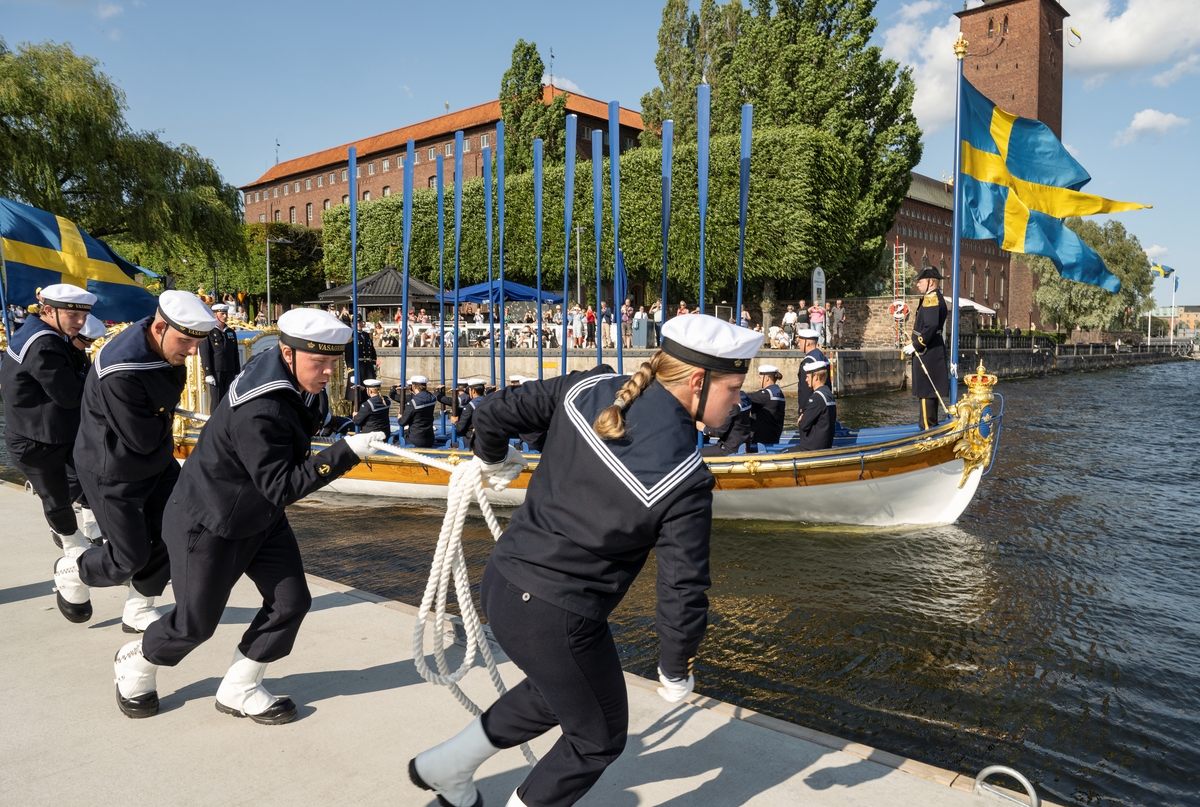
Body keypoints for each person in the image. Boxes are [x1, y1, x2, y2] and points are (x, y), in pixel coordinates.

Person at [408, 314, 759, 807]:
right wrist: (675, 671)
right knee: (597, 739)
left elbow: (491, 413)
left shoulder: (586, 387)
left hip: (503, 581)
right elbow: (682, 591)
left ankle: (448, 768)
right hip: (558, 614)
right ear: (698, 381)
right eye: (735, 387)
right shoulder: (687, 478)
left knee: (558, 692)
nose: (739, 400)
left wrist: (489, 461)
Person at [113, 309, 381, 721]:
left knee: (291, 602)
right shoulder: (262, 408)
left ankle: (240, 686)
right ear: (288, 353)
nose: (329, 372)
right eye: (320, 362)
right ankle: (136, 661)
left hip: (259, 516)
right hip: (209, 523)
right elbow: (283, 486)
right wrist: (345, 454)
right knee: (194, 625)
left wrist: (344, 426)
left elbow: (301, 427)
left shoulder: (287, 373)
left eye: (334, 361)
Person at [55, 291, 215, 629]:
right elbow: (140, 438)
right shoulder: (122, 369)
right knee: (128, 557)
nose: (192, 351)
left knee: (177, 531)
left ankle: (140, 606)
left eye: (198, 342)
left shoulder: (157, 344)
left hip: (154, 459)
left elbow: (156, 422)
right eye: (186, 341)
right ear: (159, 328)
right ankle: (76, 570)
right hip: (112, 469)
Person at [0, 284, 96, 557]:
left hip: (53, 432)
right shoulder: (44, 344)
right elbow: (69, 395)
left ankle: (89, 529)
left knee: (87, 479)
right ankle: (73, 550)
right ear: (49, 310)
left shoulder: (44, 333)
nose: (80, 322)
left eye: (85, 315)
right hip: (37, 441)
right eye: (73, 315)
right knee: (57, 499)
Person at [903, 267, 949, 429]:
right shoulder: (932, 297)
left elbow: (930, 326)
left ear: (931, 282)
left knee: (927, 390)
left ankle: (927, 428)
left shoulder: (931, 298)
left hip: (927, 351)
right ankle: (927, 425)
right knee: (928, 390)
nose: (917, 285)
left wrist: (917, 344)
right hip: (929, 350)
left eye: (920, 281)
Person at [199, 303, 242, 407]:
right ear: (215, 315)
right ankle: (215, 422)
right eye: (222, 314)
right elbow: (205, 352)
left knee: (229, 400)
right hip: (216, 371)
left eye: (226, 313)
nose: (225, 316)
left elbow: (235, 353)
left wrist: (237, 371)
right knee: (217, 401)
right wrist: (208, 372)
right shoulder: (208, 332)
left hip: (230, 370)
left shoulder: (230, 332)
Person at [797, 356, 836, 452]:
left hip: (812, 448)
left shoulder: (816, 398)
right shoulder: (828, 394)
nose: (806, 380)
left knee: (780, 454)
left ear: (816, 377)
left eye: (807, 377)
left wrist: (801, 419)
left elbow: (803, 425)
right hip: (825, 445)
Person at [700, 390, 754, 456]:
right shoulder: (745, 398)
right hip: (743, 445)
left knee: (696, 454)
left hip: (730, 449)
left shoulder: (732, 406)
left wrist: (704, 428)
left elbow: (719, 431)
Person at [747, 364, 786, 447]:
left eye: (760, 378)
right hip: (773, 437)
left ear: (767, 378)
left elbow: (745, 398)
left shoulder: (767, 394)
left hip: (760, 441)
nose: (759, 380)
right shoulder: (779, 393)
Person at [393, 375, 437, 447]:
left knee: (393, 442)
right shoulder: (432, 397)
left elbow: (402, 422)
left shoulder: (413, 402)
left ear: (414, 386)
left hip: (415, 441)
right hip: (429, 439)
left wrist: (400, 416)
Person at [449, 377, 488, 448]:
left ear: (473, 391)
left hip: (472, 440)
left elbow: (459, 428)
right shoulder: (488, 401)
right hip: (486, 437)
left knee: (452, 444)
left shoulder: (470, 407)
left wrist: (455, 422)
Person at [353, 378, 393, 442]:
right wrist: (364, 389)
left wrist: (354, 416)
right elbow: (378, 397)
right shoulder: (387, 401)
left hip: (370, 437)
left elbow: (357, 422)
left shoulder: (367, 405)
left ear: (370, 391)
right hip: (385, 435)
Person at [794, 327, 827, 403]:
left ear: (807, 343)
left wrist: (803, 410)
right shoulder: (822, 357)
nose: (798, 344)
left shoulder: (809, 361)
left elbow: (806, 390)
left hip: (812, 406)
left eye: (800, 342)